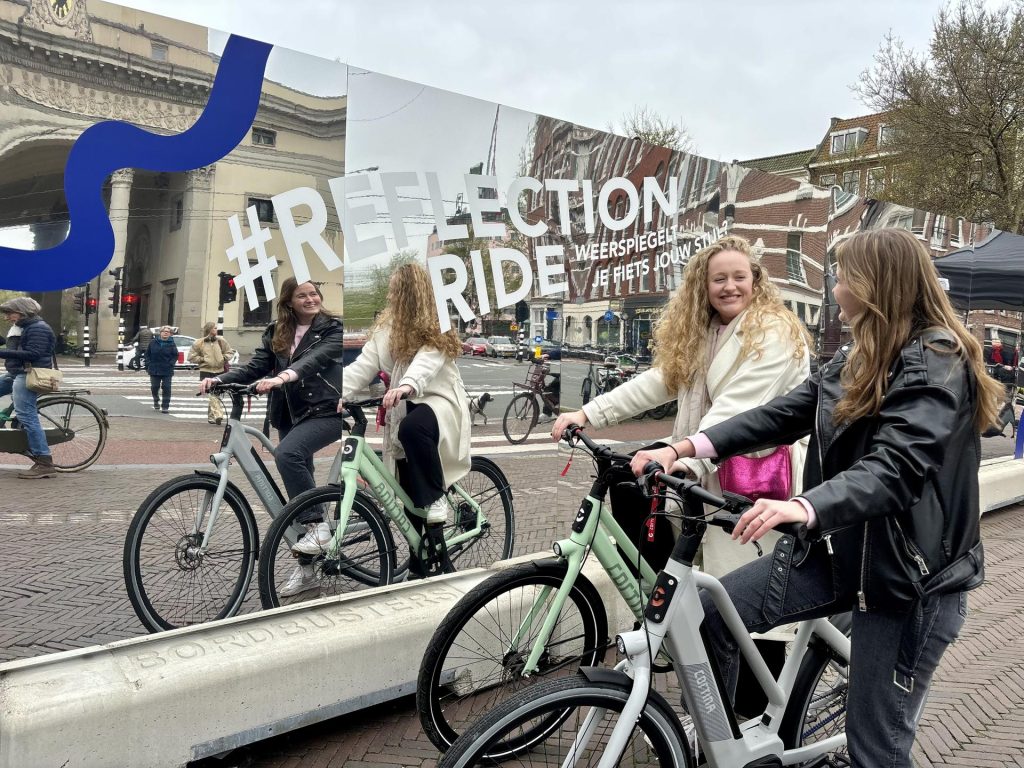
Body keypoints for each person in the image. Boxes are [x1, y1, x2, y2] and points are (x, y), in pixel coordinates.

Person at [652, 228, 999, 767]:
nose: (835, 285)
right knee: (706, 613)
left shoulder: (937, 359)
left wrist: (805, 505)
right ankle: (722, 749)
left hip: (905, 581)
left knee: (875, 751)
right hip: (841, 552)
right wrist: (690, 445)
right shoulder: (862, 353)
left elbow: (898, 464)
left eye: (843, 274)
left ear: (873, 283)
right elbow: (786, 412)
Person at [551, 234, 811, 576]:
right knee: (634, 494)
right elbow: (659, 381)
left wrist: (679, 454)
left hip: (750, 474)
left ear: (755, 281)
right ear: (703, 286)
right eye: (719, 279)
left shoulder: (774, 332)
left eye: (739, 277)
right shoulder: (707, 331)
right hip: (704, 463)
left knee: (736, 587)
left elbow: (737, 410)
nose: (729, 287)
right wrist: (588, 413)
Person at [198, 277, 344, 593]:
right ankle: (308, 572)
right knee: (295, 498)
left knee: (287, 455)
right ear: (288, 301)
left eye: (314, 294)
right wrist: (219, 380)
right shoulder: (278, 331)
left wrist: (283, 377)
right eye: (302, 295)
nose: (310, 299)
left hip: (325, 411)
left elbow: (313, 360)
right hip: (288, 416)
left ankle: (320, 526)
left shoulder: (332, 328)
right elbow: (255, 368)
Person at [341, 262, 471, 577]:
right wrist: (335, 392)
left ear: (410, 294)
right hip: (403, 402)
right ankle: (418, 561)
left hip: (437, 401)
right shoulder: (388, 328)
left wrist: (407, 385)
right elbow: (363, 365)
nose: (389, 294)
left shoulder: (435, 323)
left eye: (395, 289)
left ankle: (438, 498)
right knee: (409, 489)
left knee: (413, 429)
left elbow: (428, 360)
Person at [0, 297, 57, 479]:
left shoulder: (38, 328)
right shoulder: (24, 327)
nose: (8, 317)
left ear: (23, 311)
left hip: (28, 375)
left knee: (27, 415)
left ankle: (44, 461)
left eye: (11, 313)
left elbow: (34, 353)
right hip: (16, 373)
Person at [188, 322, 235, 425]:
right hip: (206, 371)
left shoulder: (221, 341)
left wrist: (224, 358)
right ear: (209, 329)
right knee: (212, 393)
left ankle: (211, 417)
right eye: (214, 328)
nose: (216, 330)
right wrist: (203, 359)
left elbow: (230, 352)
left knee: (216, 393)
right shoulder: (199, 343)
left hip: (219, 371)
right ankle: (218, 414)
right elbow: (191, 357)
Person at [146, 325, 178, 414]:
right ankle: (156, 399)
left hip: (167, 369)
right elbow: (147, 354)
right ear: (160, 333)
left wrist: (171, 363)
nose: (165, 333)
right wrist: (148, 364)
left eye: (167, 332)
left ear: (170, 334)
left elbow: (175, 355)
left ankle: (165, 406)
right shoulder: (153, 342)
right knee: (154, 387)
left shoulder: (172, 343)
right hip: (154, 369)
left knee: (167, 387)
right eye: (164, 331)